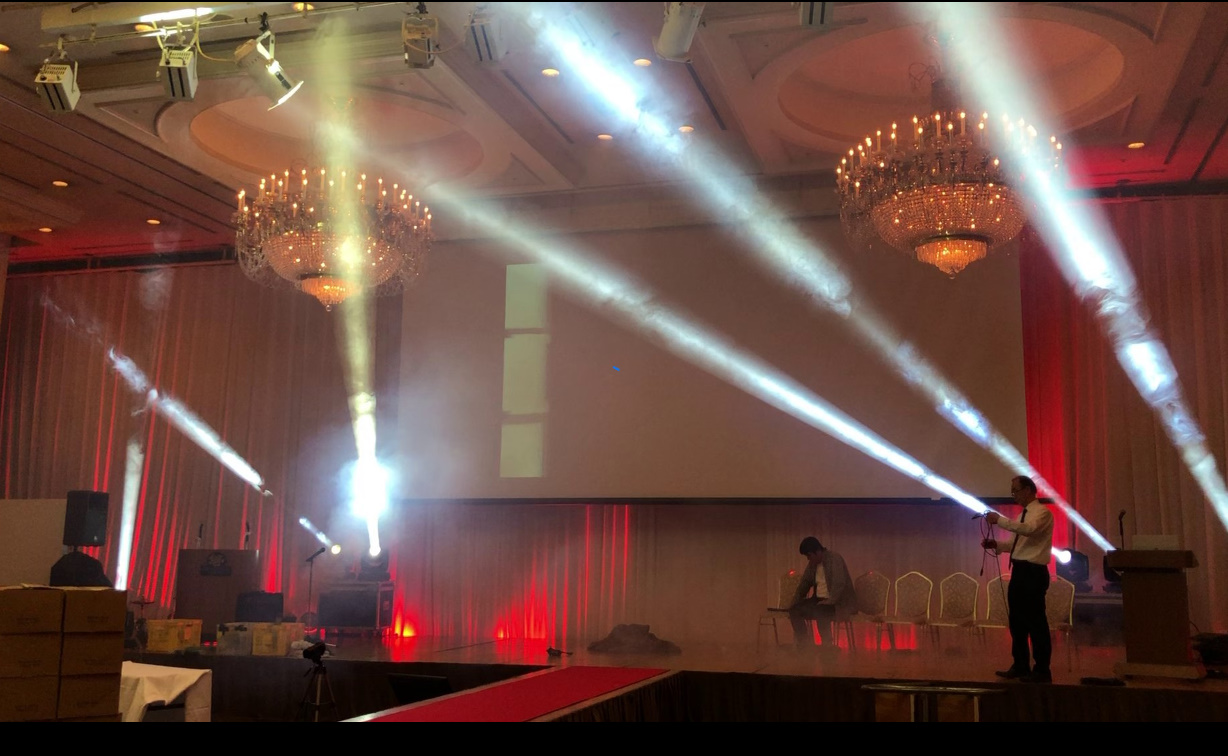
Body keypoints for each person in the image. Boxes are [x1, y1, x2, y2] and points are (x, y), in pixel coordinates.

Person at [981, 475, 1054, 683]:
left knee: (1036, 622)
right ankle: (1021, 665)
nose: (1013, 495)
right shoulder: (1023, 514)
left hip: (1034, 572)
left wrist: (999, 520)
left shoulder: (1042, 513)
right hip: (1020, 571)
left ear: (1028, 490)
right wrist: (996, 545)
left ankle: (1042, 670)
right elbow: (1015, 544)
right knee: (1017, 622)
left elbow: (1029, 530)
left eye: (1016, 490)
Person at [787, 536, 856, 649]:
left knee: (821, 611)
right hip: (819, 600)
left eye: (809, 555)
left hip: (838, 602)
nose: (808, 559)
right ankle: (804, 644)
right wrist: (794, 602)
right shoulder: (812, 565)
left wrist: (830, 601)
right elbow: (804, 584)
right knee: (795, 610)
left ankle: (827, 645)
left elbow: (839, 583)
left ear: (818, 551)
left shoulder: (834, 559)